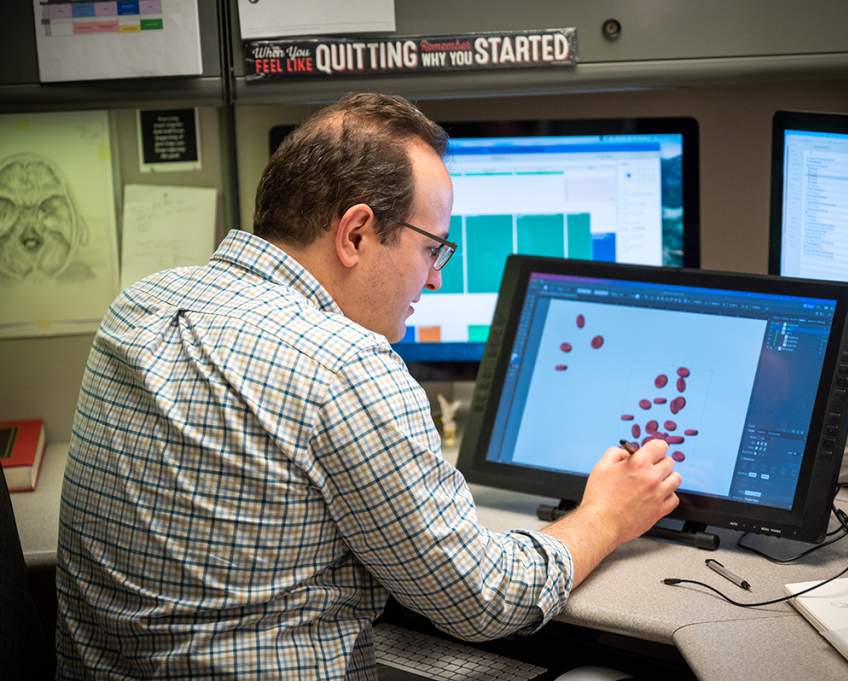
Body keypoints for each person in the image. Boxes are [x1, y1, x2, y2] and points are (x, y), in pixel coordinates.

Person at [55, 92, 682, 680]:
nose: (434, 281)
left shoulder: (139, 305)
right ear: (355, 233)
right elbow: (483, 601)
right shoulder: (346, 366)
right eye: (433, 248)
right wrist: (605, 515)